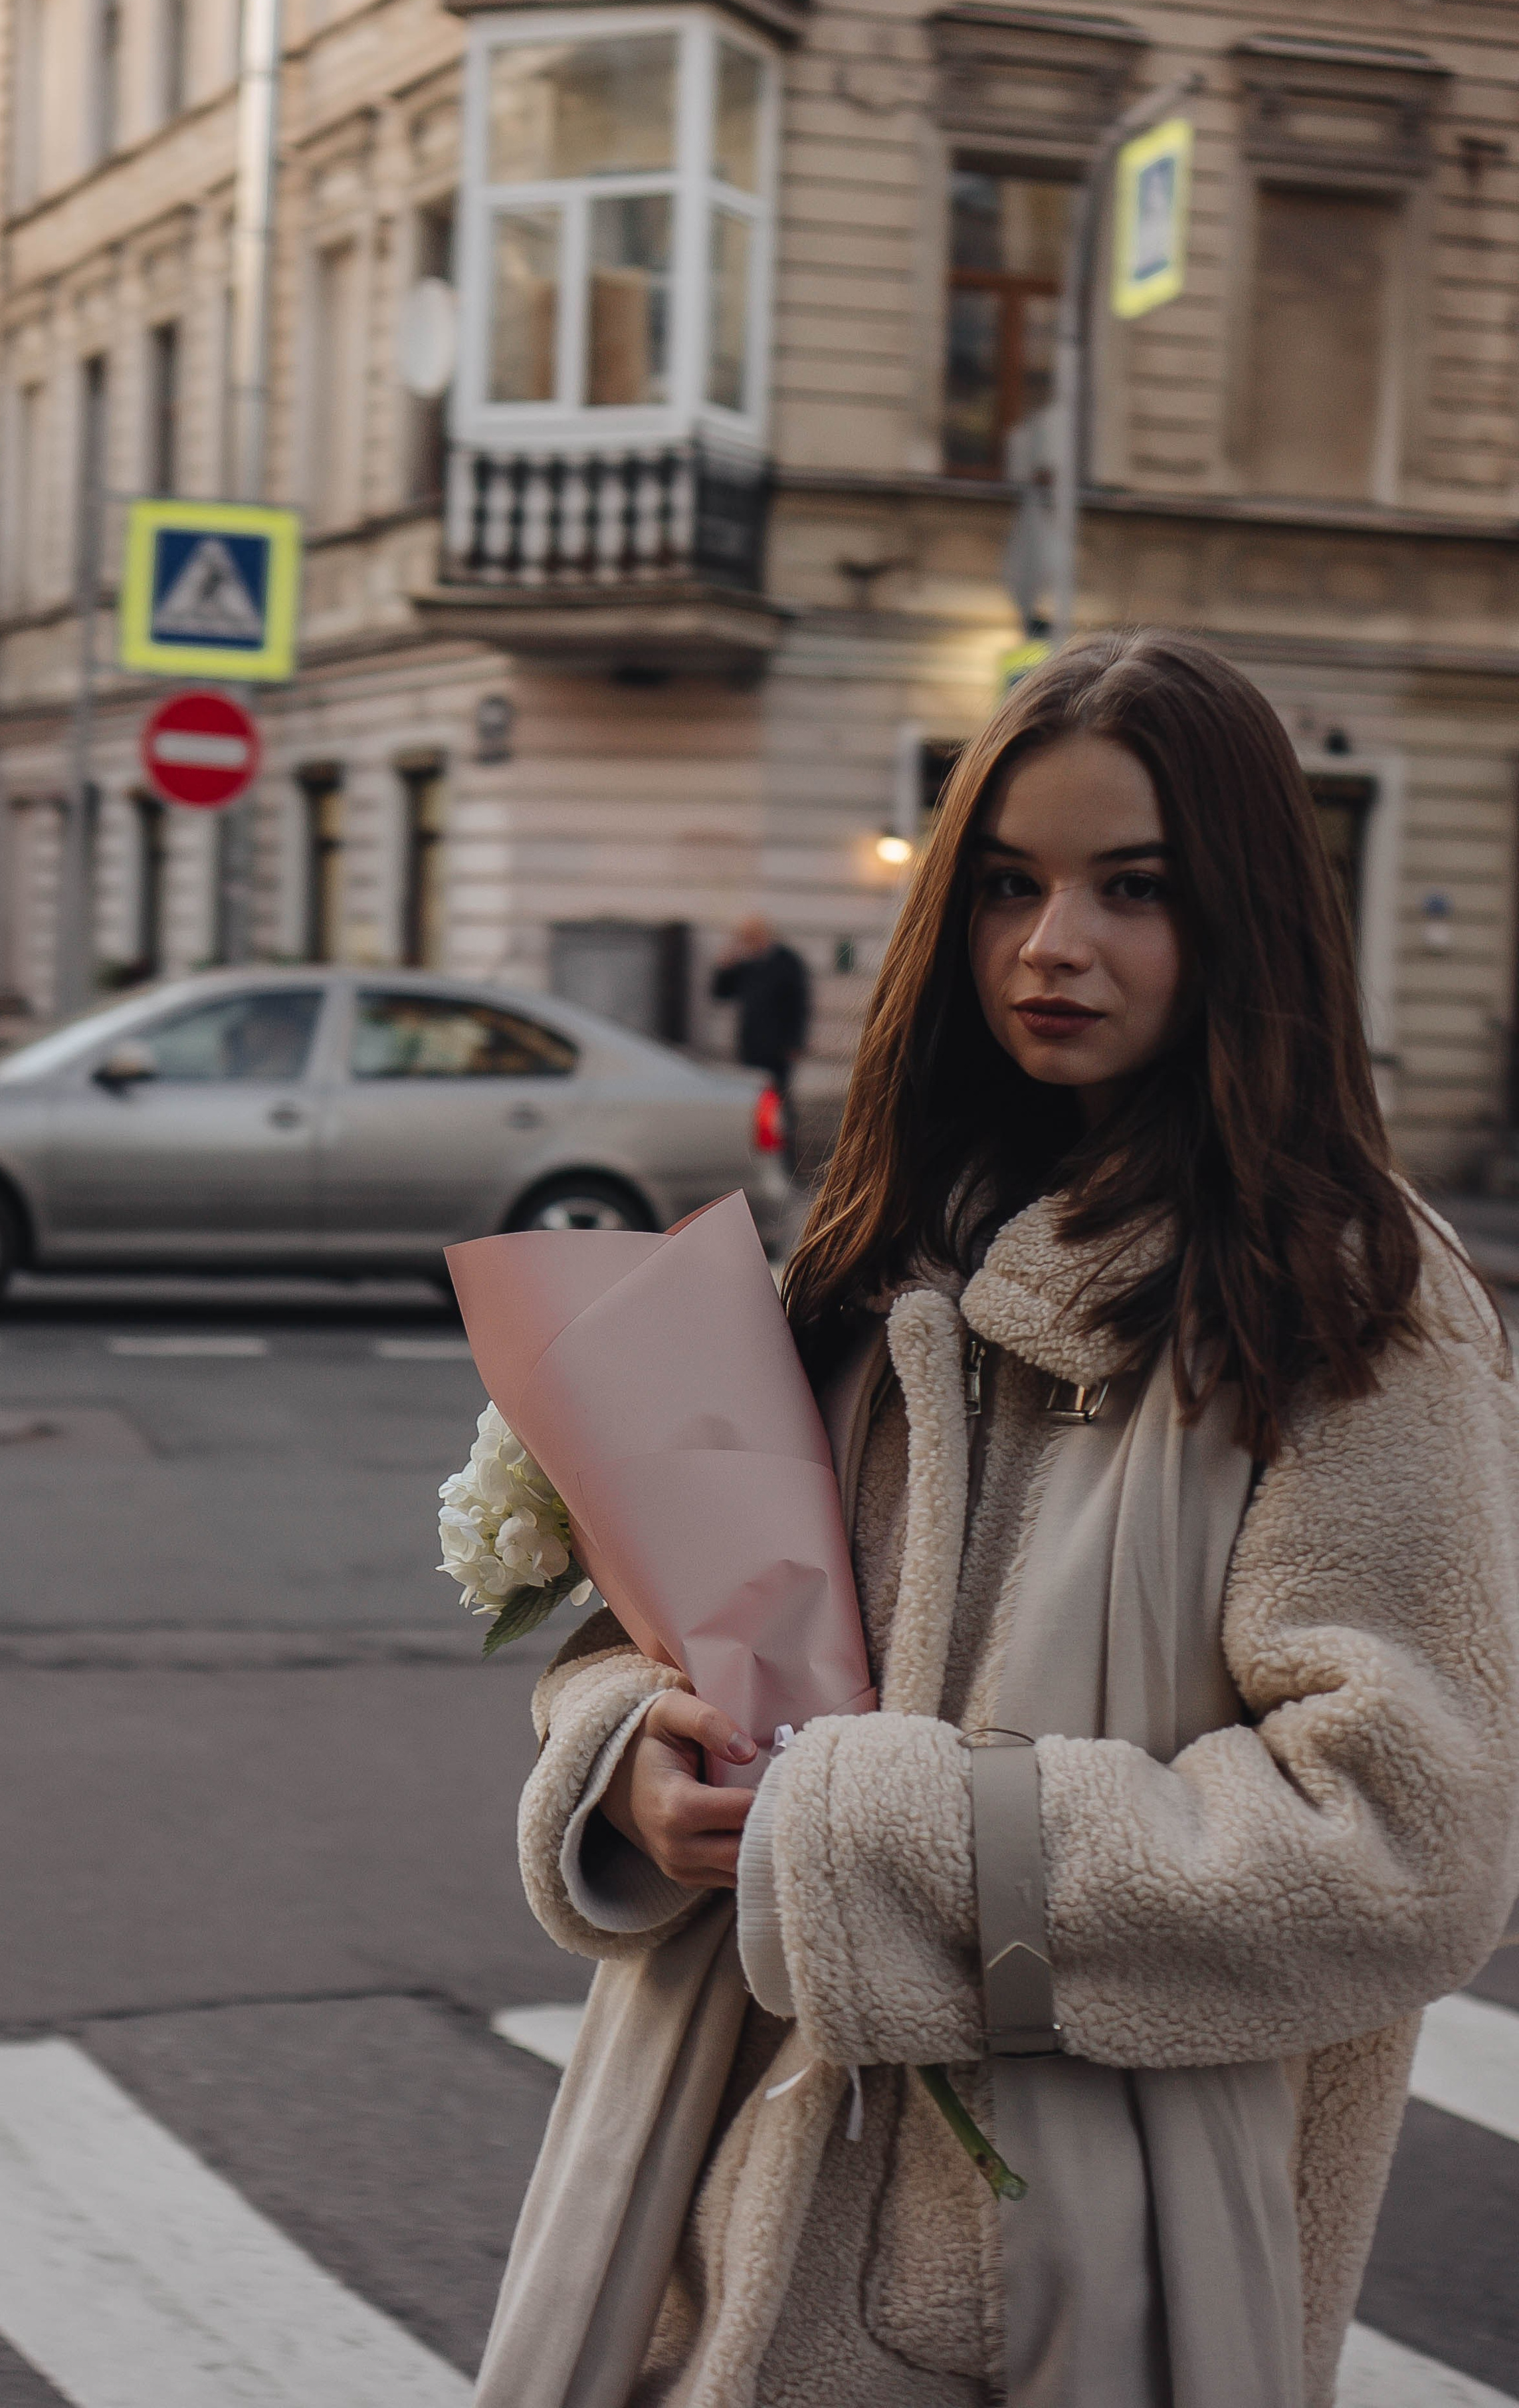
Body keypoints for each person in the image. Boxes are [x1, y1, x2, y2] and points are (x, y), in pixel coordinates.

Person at [479, 631, 1519, 2408]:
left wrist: (872, 1830)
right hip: (712, 2196)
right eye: (1009, 886)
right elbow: (659, 1647)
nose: (1055, 946)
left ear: (1250, 920)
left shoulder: (1351, 1306)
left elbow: (1403, 1844)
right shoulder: (877, 1245)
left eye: (1137, 890)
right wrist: (630, 1767)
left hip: (1042, 2283)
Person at [710, 916, 810, 1114]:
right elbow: (721, 993)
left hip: (778, 1047)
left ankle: (785, 1142)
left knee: (779, 1097)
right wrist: (725, 967)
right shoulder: (747, 965)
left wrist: (796, 1042)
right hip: (751, 1044)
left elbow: (800, 1004)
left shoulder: (788, 962)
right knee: (753, 1097)